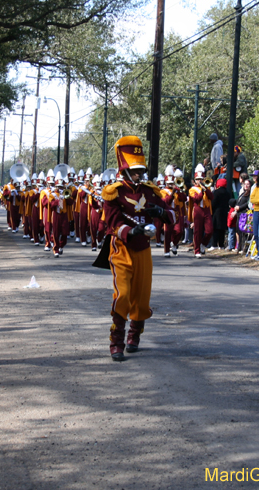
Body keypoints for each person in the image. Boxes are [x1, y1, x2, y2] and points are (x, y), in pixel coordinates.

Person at [99, 136, 174, 361]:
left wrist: (161, 212)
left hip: (143, 249)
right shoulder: (114, 192)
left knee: (141, 297)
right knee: (122, 294)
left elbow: (172, 215)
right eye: (135, 171)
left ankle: (134, 334)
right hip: (121, 248)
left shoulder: (151, 191)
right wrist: (131, 231)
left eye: (141, 170)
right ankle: (116, 341)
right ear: (124, 171)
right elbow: (112, 223)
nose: (139, 174)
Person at [188, 164, 213, 258]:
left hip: (206, 210)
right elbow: (196, 199)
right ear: (195, 180)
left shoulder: (207, 188)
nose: (200, 181)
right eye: (198, 179)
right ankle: (197, 250)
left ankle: (203, 243)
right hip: (198, 210)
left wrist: (206, 190)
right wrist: (202, 191)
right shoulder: (192, 189)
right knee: (197, 231)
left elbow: (212, 197)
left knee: (209, 230)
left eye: (201, 179)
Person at [211, 177, 230, 249]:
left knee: (215, 229)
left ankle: (214, 244)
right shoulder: (227, 193)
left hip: (216, 212)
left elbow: (213, 203)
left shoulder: (216, 192)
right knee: (222, 230)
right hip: (224, 212)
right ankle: (221, 245)